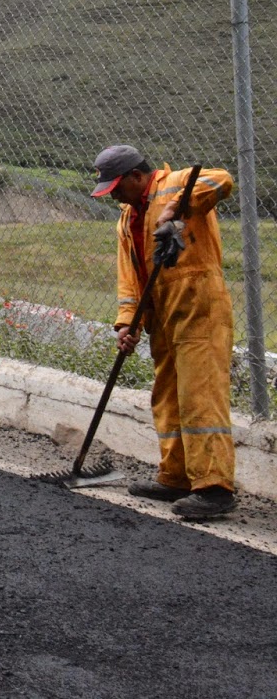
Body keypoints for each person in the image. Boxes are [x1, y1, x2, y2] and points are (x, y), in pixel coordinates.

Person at [92, 144, 237, 520]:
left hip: (198, 308)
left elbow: (223, 180)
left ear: (137, 177)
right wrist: (128, 323)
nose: (115, 197)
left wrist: (178, 211)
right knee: (168, 395)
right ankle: (175, 477)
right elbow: (131, 280)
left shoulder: (177, 183)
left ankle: (214, 488)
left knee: (200, 394)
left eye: (117, 188)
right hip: (162, 315)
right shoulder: (126, 219)